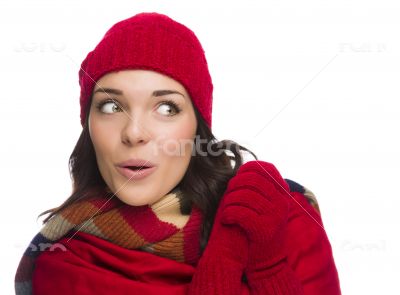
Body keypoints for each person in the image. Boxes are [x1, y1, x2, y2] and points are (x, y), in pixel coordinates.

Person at [14, 12, 342, 294]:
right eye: (111, 106)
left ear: (196, 126)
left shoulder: (282, 218)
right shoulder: (61, 258)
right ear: (89, 125)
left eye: (167, 107)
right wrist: (225, 258)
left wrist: (269, 266)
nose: (134, 133)